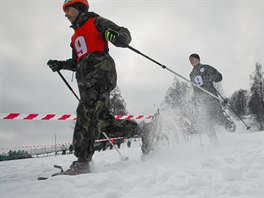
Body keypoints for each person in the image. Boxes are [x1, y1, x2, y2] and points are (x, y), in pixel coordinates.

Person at [47, 0, 131, 175]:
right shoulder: (75, 37)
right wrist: (60, 65)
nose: (66, 14)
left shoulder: (96, 21)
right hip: (85, 81)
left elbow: (124, 34)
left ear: (78, 8)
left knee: (85, 113)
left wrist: (117, 37)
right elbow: (77, 62)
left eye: (68, 9)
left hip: (101, 74)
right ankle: (145, 130)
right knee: (103, 123)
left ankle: (82, 162)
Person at [189, 53, 236, 145]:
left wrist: (210, 77)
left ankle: (229, 125)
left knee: (218, 117)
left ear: (198, 59)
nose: (191, 61)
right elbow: (195, 88)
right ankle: (214, 143)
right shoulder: (191, 74)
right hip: (202, 101)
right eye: (190, 60)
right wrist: (195, 99)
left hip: (211, 97)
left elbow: (219, 77)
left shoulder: (206, 67)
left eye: (193, 59)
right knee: (206, 122)